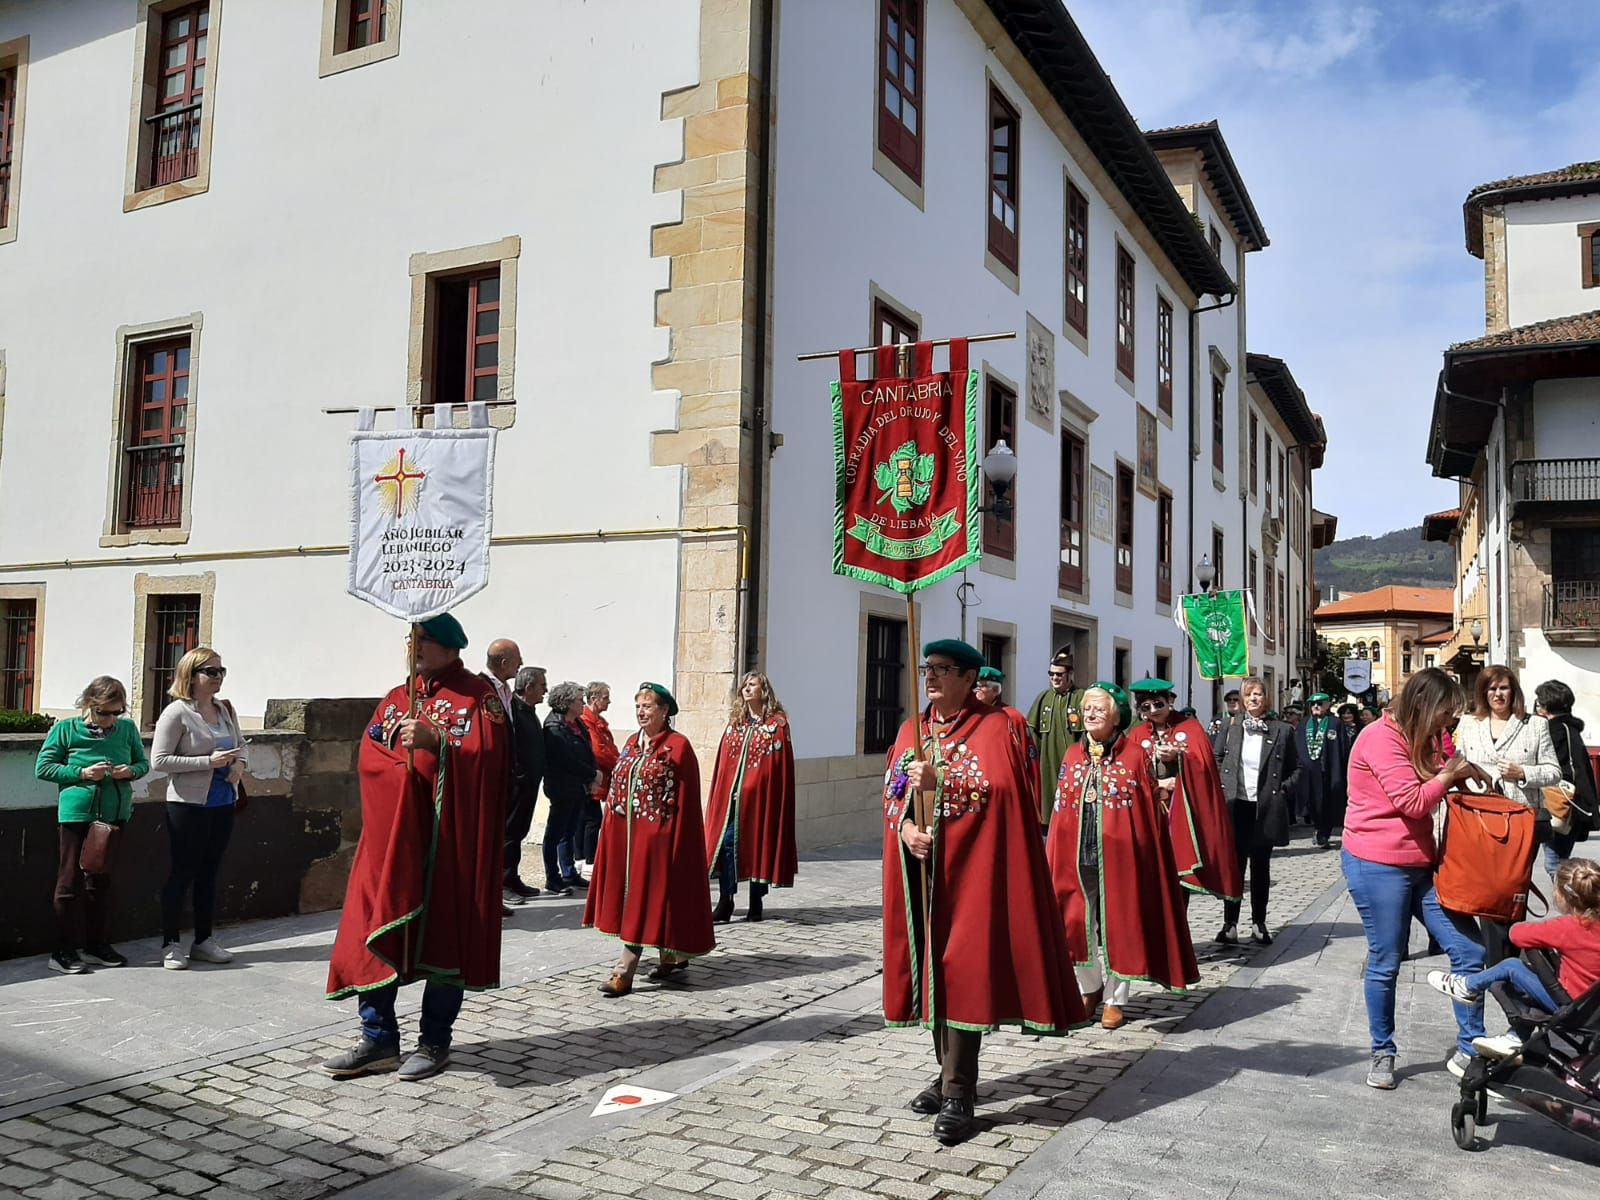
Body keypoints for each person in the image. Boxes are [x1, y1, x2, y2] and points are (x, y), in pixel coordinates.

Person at [885, 639, 1084, 1145]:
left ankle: (959, 1092)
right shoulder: (912, 729)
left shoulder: (993, 728)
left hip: (973, 877)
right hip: (922, 878)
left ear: (970, 678)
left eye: (944, 670)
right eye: (928, 667)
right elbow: (892, 795)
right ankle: (946, 1073)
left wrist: (941, 784)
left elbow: (998, 795)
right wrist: (907, 830)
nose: (930, 677)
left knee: (963, 974)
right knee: (932, 973)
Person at [323, 612, 509, 1082]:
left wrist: (438, 743)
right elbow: (370, 750)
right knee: (373, 928)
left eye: (423, 640)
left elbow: (492, 762)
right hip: (391, 845)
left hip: (448, 846)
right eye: (412, 639)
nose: (414, 647)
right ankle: (378, 1038)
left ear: (450, 647)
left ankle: (434, 1041)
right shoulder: (396, 697)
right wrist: (399, 766)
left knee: (445, 937)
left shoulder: (477, 698)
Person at [1342, 667, 1487, 1089]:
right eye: (1446, 713)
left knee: (1469, 950)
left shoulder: (1423, 735)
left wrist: (1464, 767)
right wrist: (1448, 775)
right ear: (1423, 705)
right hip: (1376, 862)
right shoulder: (1381, 738)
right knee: (1387, 960)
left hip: (1420, 862)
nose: (1450, 722)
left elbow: (1442, 767)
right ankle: (1382, 1052)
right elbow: (1412, 802)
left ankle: (1472, 1046)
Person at [1050, 683, 1199, 1032]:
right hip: (1076, 855)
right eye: (1087, 708)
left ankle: (1116, 1000)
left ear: (1115, 716)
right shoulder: (1072, 754)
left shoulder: (1133, 755)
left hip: (1121, 857)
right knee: (1076, 924)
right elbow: (1060, 810)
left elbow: (1146, 809)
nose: (1091, 714)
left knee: (1120, 925)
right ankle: (1090, 987)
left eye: (1099, 709)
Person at [585, 683, 715, 996]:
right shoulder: (631, 743)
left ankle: (624, 970)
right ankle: (670, 957)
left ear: (664, 711)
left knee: (646, 899)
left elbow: (685, 800)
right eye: (638, 707)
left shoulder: (678, 746)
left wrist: (676, 842)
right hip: (628, 840)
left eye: (648, 707)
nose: (642, 713)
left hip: (659, 840)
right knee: (644, 900)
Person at [1428, 858, 1600, 1057]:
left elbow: (1516, 934)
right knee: (1535, 979)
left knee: (1512, 966)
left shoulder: (1569, 927)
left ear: (1563, 896)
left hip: (1572, 1008)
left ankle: (1467, 985)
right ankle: (1516, 1036)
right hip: (1593, 1010)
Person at [34, 677, 150, 975]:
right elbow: (44, 767)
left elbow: (143, 763)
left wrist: (129, 771)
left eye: (117, 713)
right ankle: (62, 950)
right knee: (69, 880)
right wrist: (82, 772)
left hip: (113, 814)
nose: (111, 720)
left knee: (101, 881)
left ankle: (95, 945)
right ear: (89, 705)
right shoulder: (65, 729)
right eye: (104, 713)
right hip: (78, 814)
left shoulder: (126, 730)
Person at [1453, 665, 1563, 959]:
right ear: (1482, 692)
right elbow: (1455, 763)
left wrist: (1523, 772)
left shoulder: (1534, 726)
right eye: (1491, 688)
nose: (1497, 694)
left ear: (1513, 690)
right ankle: (1494, 954)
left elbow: (1554, 771)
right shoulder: (1468, 724)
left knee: (1512, 887)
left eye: (1503, 688)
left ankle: (1509, 952)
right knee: (1486, 888)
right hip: (1480, 820)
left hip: (1520, 820)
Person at [151, 647, 246, 970]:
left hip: (223, 800)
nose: (218, 678)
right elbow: (159, 760)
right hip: (188, 804)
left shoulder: (225, 709)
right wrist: (208, 762)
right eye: (211, 671)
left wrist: (240, 766)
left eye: (221, 671)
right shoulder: (176, 713)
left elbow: (241, 746)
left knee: (209, 873)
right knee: (182, 872)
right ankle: (170, 944)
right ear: (191, 676)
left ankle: (204, 940)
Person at [1128, 678, 1241, 908]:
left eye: (1158, 704)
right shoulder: (1138, 734)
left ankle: (1179, 927)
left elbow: (1204, 767)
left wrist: (1179, 760)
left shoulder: (1190, 728)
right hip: (1151, 812)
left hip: (1180, 813)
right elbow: (1130, 775)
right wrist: (1158, 783)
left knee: (1179, 872)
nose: (1153, 711)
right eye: (1145, 707)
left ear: (1170, 701)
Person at [1211, 677, 1302, 945]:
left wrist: (1282, 790)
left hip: (1264, 806)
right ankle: (1230, 924)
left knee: (1260, 868)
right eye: (1248, 694)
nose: (1253, 698)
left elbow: (1297, 768)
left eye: (1258, 694)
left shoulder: (1281, 730)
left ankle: (1259, 922)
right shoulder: (1229, 726)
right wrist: (1221, 785)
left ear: (1266, 698)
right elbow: (1216, 758)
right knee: (1234, 867)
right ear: (1241, 698)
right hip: (1235, 804)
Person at [705, 672, 796, 923]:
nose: (747, 689)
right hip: (733, 802)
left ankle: (756, 901)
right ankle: (726, 900)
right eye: (744, 685)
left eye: (752, 684)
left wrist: (756, 787)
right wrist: (729, 790)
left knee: (759, 845)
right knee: (727, 843)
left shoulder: (776, 725)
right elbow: (725, 764)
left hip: (762, 801)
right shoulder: (736, 723)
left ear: (763, 690)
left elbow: (777, 768)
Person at [481, 639, 528, 913]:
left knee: (500, 836)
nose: (521, 664)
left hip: (506, 774)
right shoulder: (481, 689)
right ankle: (489, 897)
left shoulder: (506, 690)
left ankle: (494, 895)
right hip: (490, 776)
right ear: (503, 662)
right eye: (517, 659)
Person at [542, 682, 597, 897]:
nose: (582, 703)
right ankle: (553, 877)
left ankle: (568, 872)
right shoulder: (554, 727)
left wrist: (592, 772)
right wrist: (592, 774)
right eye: (579, 700)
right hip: (562, 787)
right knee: (556, 832)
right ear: (566, 703)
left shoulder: (577, 723)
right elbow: (567, 760)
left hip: (577, 786)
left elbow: (586, 750)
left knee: (570, 830)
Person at [1535, 679, 1598, 859]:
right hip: (1573, 802)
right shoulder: (1571, 728)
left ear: (1546, 706)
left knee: (1555, 862)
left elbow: (1551, 766)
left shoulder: (1555, 731)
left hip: (1559, 802)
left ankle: (1570, 887)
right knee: (1558, 859)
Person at [1026, 650, 1086, 829]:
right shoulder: (1044, 698)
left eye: (1059, 674)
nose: (1054, 678)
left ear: (1070, 675)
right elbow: (1032, 735)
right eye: (1051, 674)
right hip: (1047, 763)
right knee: (1049, 802)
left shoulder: (1081, 697)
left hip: (1074, 763)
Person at [503, 665, 547, 905]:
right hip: (519, 785)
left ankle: (514, 878)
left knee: (519, 832)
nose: (546, 690)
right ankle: (503, 882)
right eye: (542, 685)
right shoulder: (515, 711)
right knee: (509, 833)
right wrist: (519, 777)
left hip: (530, 783)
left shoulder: (529, 710)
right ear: (528, 687)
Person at [976, 666, 1040, 819]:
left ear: (995, 691)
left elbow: (1028, 760)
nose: (976, 690)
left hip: (1006, 792)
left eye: (982, 686)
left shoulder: (1012, 718)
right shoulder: (972, 716)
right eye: (975, 686)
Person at [1297, 692, 1354, 848]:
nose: (1316, 706)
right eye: (1313, 704)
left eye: (1320, 703)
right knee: (1313, 802)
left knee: (1329, 802)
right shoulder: (1304, 724)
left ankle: (1325, 832)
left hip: (1329, 769)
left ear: (1327, 705)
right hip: (1311, 771)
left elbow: (1343, 748)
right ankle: (1317, 827)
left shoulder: (1335, 724)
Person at [578, 681, 620, 876]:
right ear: (593, 699)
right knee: (592, 819)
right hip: (594, 777)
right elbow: (599, 751)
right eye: (605, 698)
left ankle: (580, 858)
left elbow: (608, 747)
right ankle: (588, 860)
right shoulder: (588, 722)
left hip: (600, 777)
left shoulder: (598, 722)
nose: (609, 702)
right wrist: (618, 763)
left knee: (586, 818)